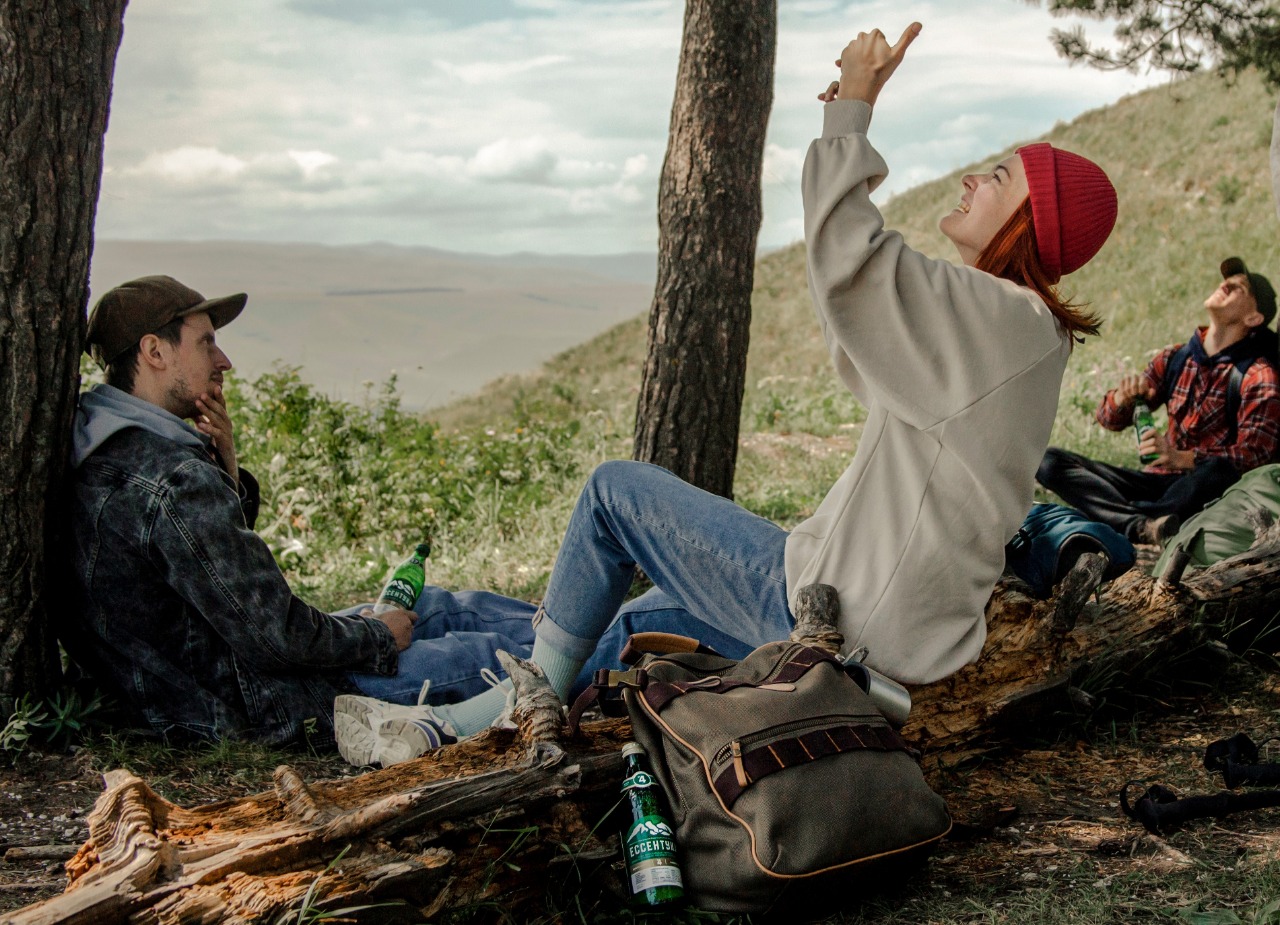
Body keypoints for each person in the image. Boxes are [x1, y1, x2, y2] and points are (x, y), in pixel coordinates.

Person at [337, 22, 1121, 767]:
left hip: (838, 620)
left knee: (616, 494)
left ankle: (485, 695)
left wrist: (855, 107)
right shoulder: (1017, 336)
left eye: (1001, 176)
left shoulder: (1004, 320)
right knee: (634, 623)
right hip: (870, 623)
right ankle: (432, 716)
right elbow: (865, 334)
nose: (974, 177)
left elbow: (854, 259)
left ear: (1032, 216)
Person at [64, 275, 548, 748]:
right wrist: (374, 637)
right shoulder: (171, 478)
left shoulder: (109, 448)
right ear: (155, 352)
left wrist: (224, 464)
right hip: (250, 700)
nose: (223, 361)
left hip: (207, 679)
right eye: (206, 343)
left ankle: (582, 619)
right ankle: (617, 641)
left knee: (438, 605)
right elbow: (275, 635)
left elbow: (210, 581)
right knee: (488, 654)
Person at [1037, 258, 1280, 544]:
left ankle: (1123, 517)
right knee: (1049, 461)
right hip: (1155, 482)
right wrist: (1123, 397)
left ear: (1253, 318)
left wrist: (1181, 457)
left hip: (1201, 488)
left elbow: (1255, 457)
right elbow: (1107, 419)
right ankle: (1140, 525)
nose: (1225, 283)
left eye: (1240, 287)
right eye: (1227, 280)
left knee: (1215, 473)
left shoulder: (1258, 376)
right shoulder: (1176, 358)